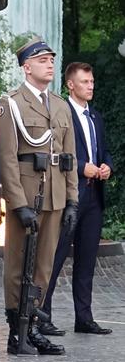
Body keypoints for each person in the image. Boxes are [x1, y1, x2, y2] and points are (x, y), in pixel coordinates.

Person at [0, 36, 77, 356]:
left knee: (42, 266)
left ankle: (36, 327)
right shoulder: (11, 103)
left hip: (55, 194)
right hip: (28, 195)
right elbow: (6, 158)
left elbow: (69, 157)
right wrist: (18, 202)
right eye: (42, 60)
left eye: (51, 59)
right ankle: (18, 330)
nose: (50, 64)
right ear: (26, 67)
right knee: (18, 264)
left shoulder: (60, 105)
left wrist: (72, 200)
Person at [39, 62, 114, 336]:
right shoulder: (61, 113)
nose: (91, 86)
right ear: (71, 84)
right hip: (68, 194)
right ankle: (42, 315)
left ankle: (84, 317)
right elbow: (53, 152)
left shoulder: (96, 117)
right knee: (55, 256)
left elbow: (105, 151)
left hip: (94, 196)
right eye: (85, 82)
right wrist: (82, 166)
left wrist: (107, 166)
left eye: (92, 81)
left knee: (86, 260)